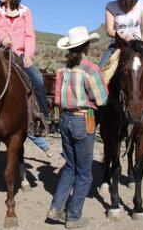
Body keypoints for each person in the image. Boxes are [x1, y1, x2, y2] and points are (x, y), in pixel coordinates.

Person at [47, 26, 108, 229]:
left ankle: (56, 208)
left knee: (70, 167)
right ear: (87, 46)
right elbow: (102, 99)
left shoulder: (62, 70)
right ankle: (74, 216)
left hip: (65, 119)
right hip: (83, 119)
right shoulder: (90, 68)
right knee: (84, 172)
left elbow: (57, 99)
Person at [0, 0, 52, 150]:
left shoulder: (25, 11)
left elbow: (29, 35)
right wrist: (3, 37)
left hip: (21, 55)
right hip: (0, 53)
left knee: (38, 80)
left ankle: (41, 118)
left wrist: (29, 55)